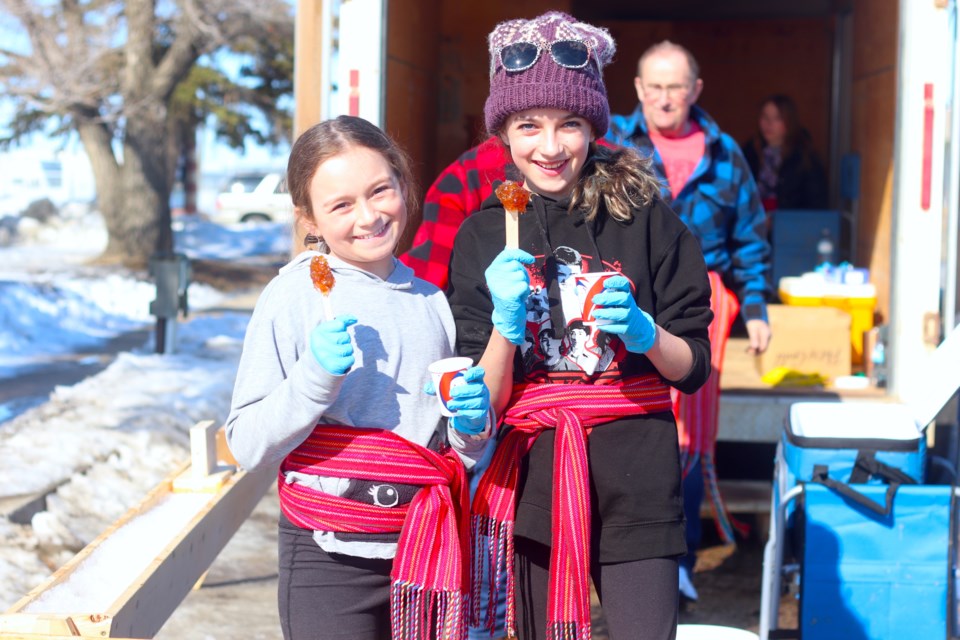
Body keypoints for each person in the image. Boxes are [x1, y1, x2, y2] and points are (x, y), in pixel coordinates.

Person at [446, 12, 714, 640]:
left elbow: (694, 366)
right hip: (537, 478)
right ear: (503, 133)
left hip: (640, 477)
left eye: (569, 124)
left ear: (593, 125)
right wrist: (504, 331)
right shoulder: (484, 232)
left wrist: (648, 334)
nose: (550, 145)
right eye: (528, 125)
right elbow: (483, 405)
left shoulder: (645, 217)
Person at [224, 115, 494, 640]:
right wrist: (312, 379)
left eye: (379, 191)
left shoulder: (430, 302)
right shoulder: (293, 295)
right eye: (341, 205)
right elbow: (246, 444)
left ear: (403, 186)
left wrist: (471, 428)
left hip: (424, 551)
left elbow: (452, 455)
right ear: (309, 220)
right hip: (328, 559)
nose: (368, 216)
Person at [605, 40, 773, 602]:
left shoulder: (726, 154)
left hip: (707, 302)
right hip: (626, 296)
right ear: (637, 90)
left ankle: (680, 555)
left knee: (691, 434)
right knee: (626, 419)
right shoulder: (612, 147)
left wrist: (756, 309)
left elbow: (750, 238)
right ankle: (619, 554)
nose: (663, 97)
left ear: (695, 90)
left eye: (675, 86)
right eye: (653, 86)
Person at [741, 93, 828, 214]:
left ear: (788, 121)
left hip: (790, 228)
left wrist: (777, 220)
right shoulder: (749, 152)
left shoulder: (805, 157)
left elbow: (816, 203)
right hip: (752, 226)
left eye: (777, 118)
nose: (769, 124)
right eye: (765, 117)